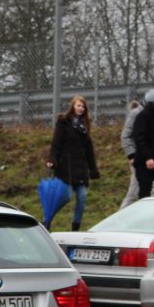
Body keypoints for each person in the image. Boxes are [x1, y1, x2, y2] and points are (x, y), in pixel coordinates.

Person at [45, 95, 100, 231]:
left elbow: (89, 150)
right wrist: (52, 158)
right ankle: (47, 218)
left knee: (82, 198)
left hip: (80, 169)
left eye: (83, 106)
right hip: (65, 167)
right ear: (73, 107)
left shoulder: (85, 127)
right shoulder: (63, 122)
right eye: (78, 106)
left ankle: (75, 228)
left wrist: (93, 170)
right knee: (67, 196)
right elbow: (56, 143)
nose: (81, 108)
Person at [121, 91, 154, 207]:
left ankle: (118, 220)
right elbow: (125, 136)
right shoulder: (136, 113)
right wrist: (131, 156)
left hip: (148, 158)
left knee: (133, 193)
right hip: (138, 159)